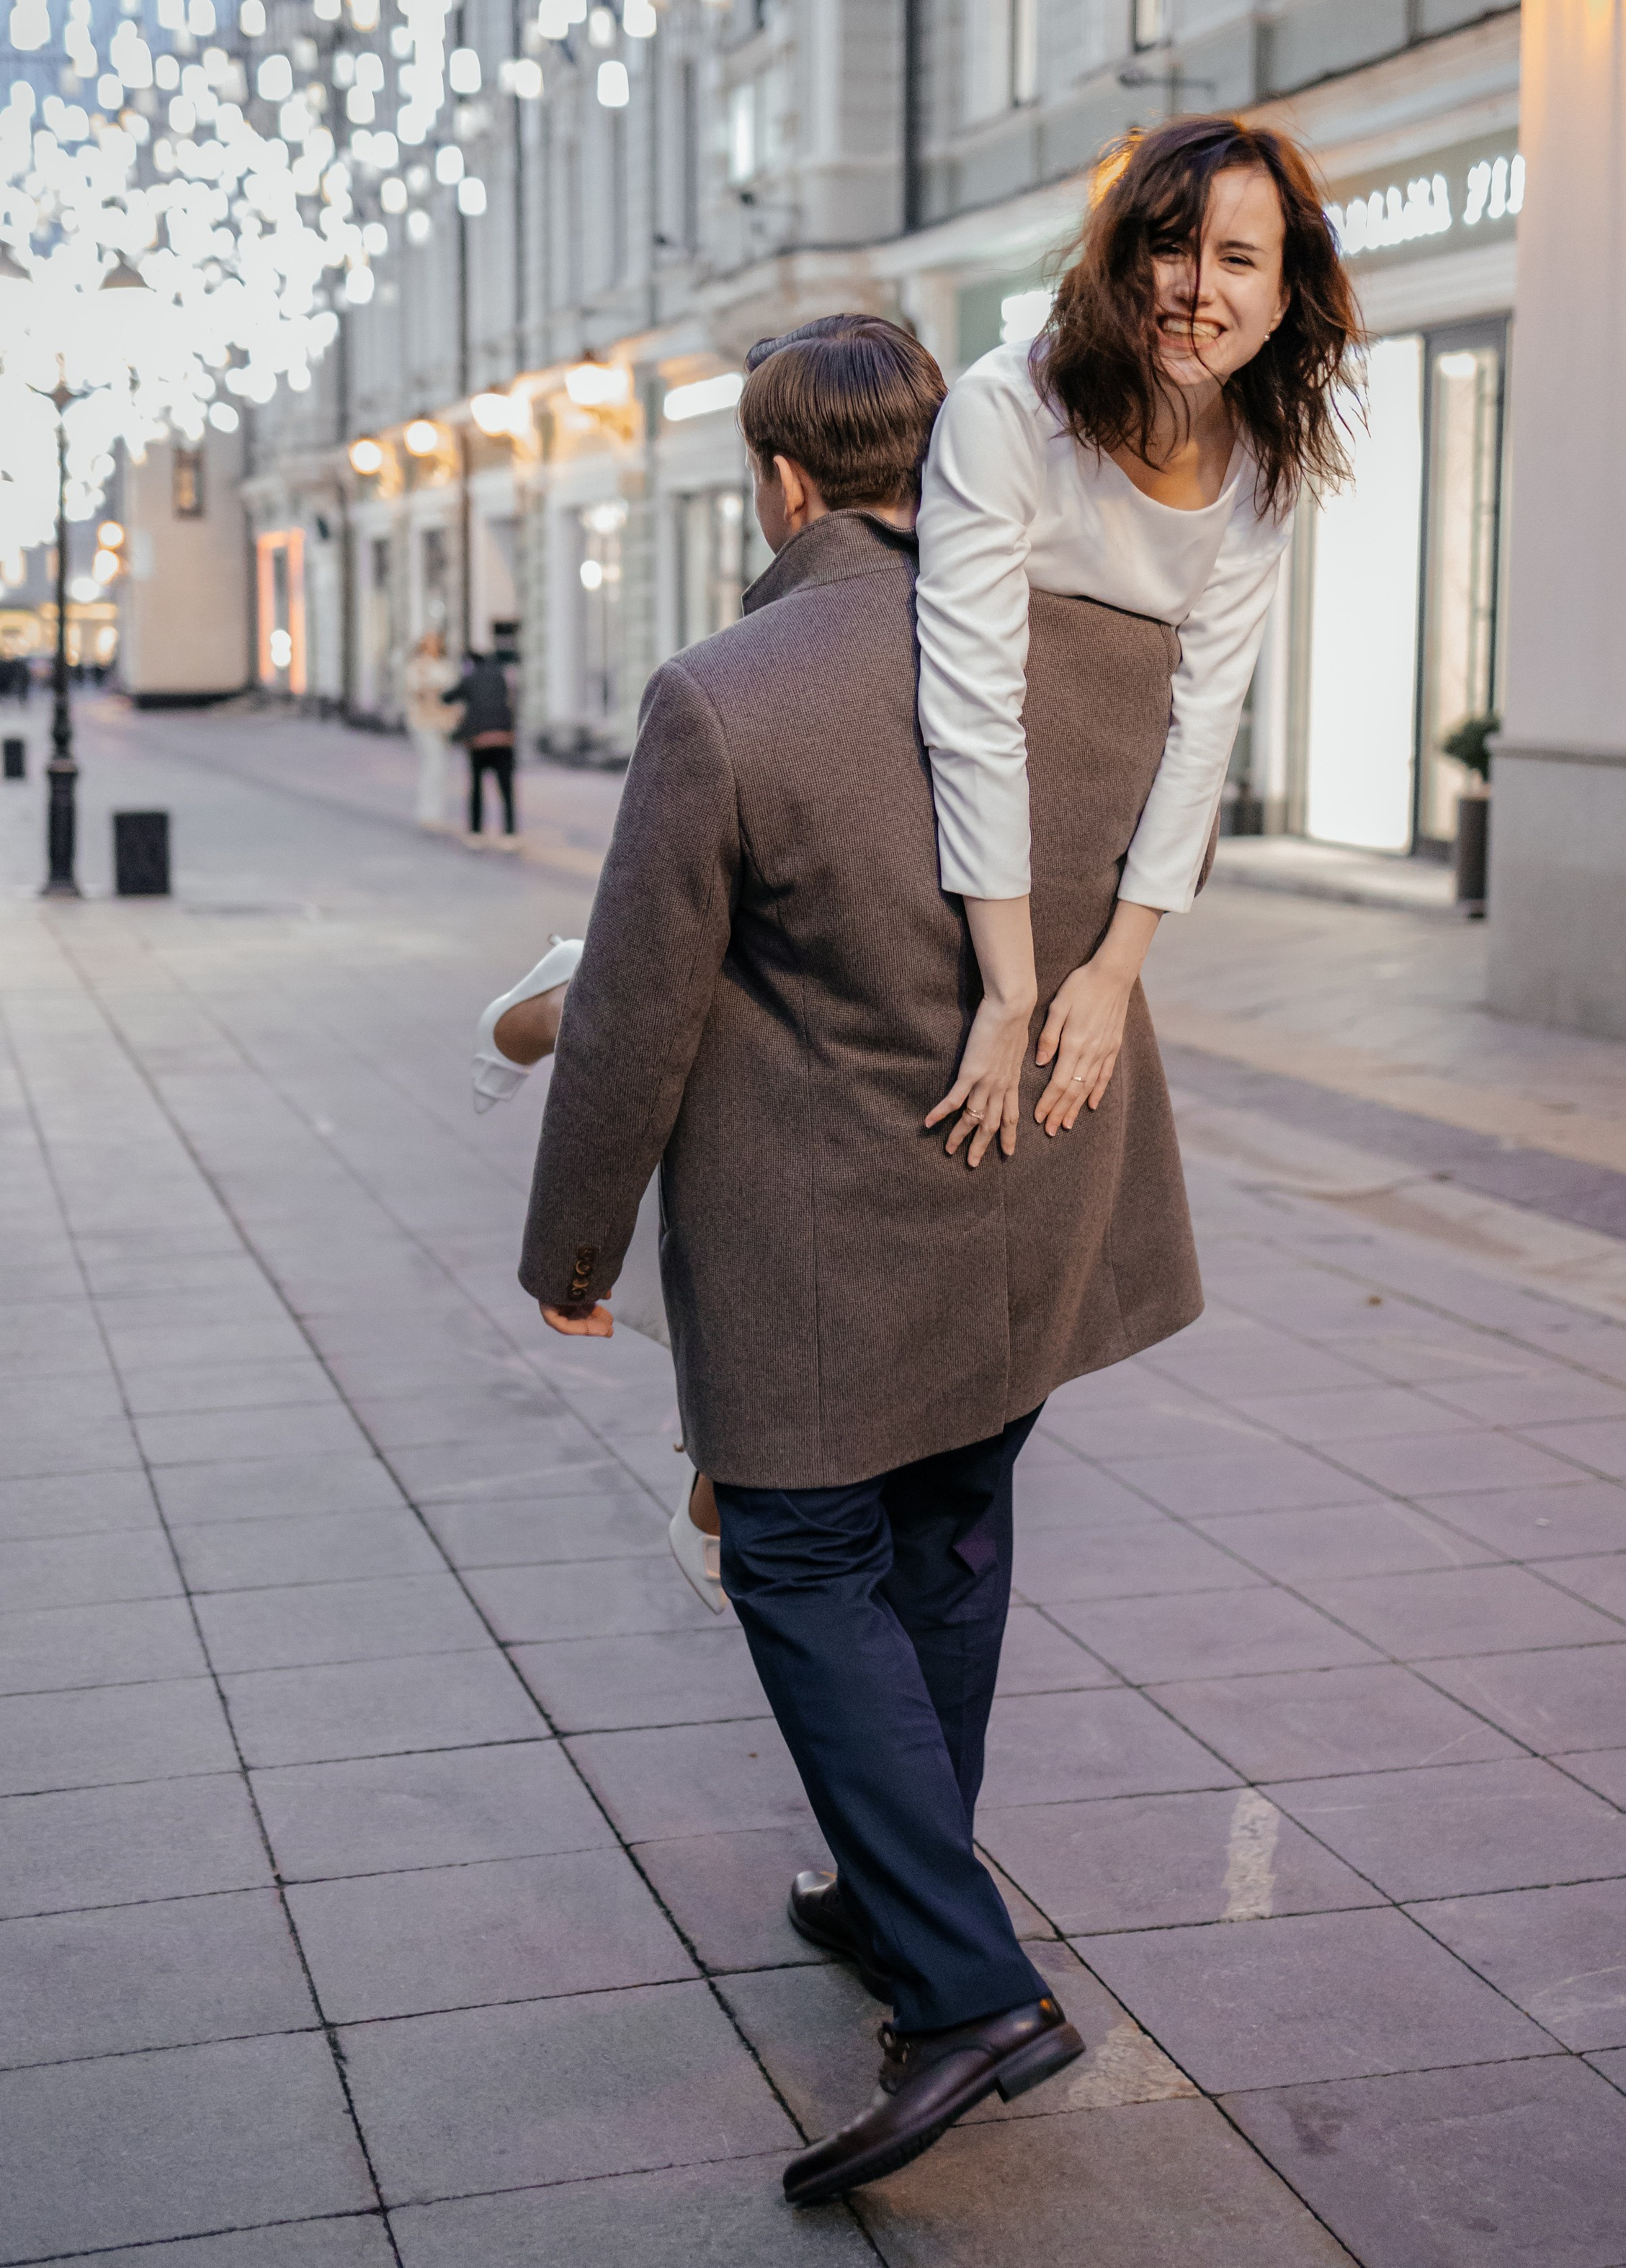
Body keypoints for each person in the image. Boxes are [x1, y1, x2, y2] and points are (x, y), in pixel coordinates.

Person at [517, 314, 1207, 2205]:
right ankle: (898, 1893)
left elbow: (635, 1015)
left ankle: (970, 1988)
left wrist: (572, 1249)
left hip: (823, 1243)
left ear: (784, 481)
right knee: (956, 1535)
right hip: (1029, 1217)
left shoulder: (728, 692)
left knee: (804, 1558)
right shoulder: (1104, 651)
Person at [917, 111, 1361, 1169]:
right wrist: (1011, 988)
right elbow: (972, 703)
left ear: (1285, 297)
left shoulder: (1259, 466)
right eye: (1168, 245)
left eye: (1238, 259)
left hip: (1100, 877)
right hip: (949, 847)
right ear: (1117, 261)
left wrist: (1120, 966)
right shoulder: (1006, 408)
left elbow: (1206, 723)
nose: (1197, 290)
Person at [446, 645, 518, 848]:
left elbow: (448, 697)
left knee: (477, 787)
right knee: (506, 788)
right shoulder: (501, 676)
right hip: (503, 738)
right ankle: (510, 834)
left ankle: (476, 833)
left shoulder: (470, 678)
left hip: (479, 741)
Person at [403, 627, 457, 830]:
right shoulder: (418, 667)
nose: (433, 647)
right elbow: (419, 693)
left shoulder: (443, 666)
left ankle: (437, 812)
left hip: (443, 724)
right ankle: (427, 812)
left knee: (440, 767)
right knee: (432, 765)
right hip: (424, 722)